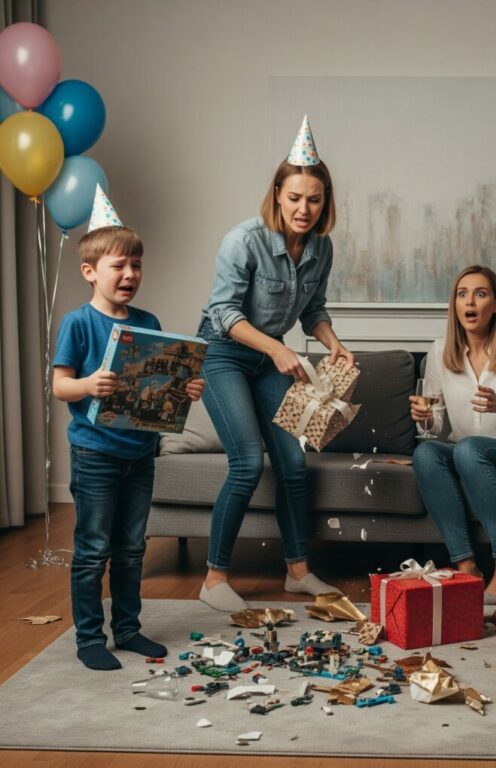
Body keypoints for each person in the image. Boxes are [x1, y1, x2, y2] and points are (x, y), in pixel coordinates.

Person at [197, 116, 354, 612]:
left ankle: (298, 572)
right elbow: (223, 314)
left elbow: (312, 310)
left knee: (292, 464)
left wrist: (333, 342)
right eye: (295, 198)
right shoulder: (242, 240)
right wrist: (277, 349)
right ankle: (214, 578)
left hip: (268, 360)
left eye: (314, 198)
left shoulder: (321, 248)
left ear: (325, 200)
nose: (304, 208)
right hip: (224, 355)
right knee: (246, 462)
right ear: (277, 196)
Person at [53, 189, 205, 671]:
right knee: (94, 547)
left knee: (132, 547)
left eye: (136, 265)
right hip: (95, 452)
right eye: (119, 265)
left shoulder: (148, 322)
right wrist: (87, 384)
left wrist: (187, 388)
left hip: (141, 452)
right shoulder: (78, 324)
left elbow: (157, 386)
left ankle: (128, 628)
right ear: (90, 271)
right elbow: (59, 387)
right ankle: (88, 637)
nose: (130, 275)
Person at [411, 265, 496, 603]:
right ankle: (467, 567)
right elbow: (437, 427)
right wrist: (426, 419)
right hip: (465, 453)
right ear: (455, 306)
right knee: (426, 454)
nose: (470, 301)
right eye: (462, 294)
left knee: (469, 449)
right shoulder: (440, 351)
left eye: (481, 293)